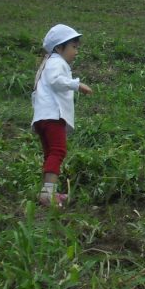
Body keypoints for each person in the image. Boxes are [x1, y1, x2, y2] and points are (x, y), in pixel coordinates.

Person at [31, 24, 93, 207]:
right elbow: (56, 81)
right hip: (52, 116)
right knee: (58, 151)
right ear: (59, 47)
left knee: (50, 153)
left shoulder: (48, 62)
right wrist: (77, 85)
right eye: (73, 47)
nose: (76, 52)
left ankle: (48, 190)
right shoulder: (56, 62)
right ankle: (47, 194)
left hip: (43, 116)